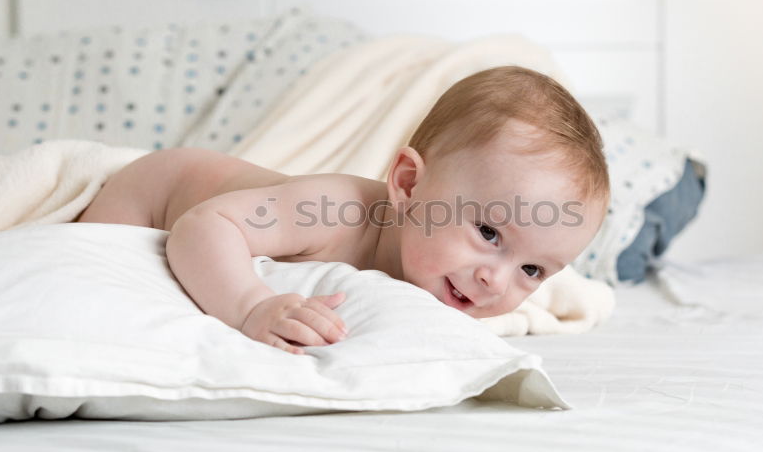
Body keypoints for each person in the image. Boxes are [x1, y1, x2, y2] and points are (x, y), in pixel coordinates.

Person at [77, 66, 610, 354]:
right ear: (407, 185)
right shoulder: (332, 212)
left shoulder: (453, 283)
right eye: (490, 233)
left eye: (532, 270)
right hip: (155, 193)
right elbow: (205, 224)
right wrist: (248, 306)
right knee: (92, 286)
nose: (497, 282)